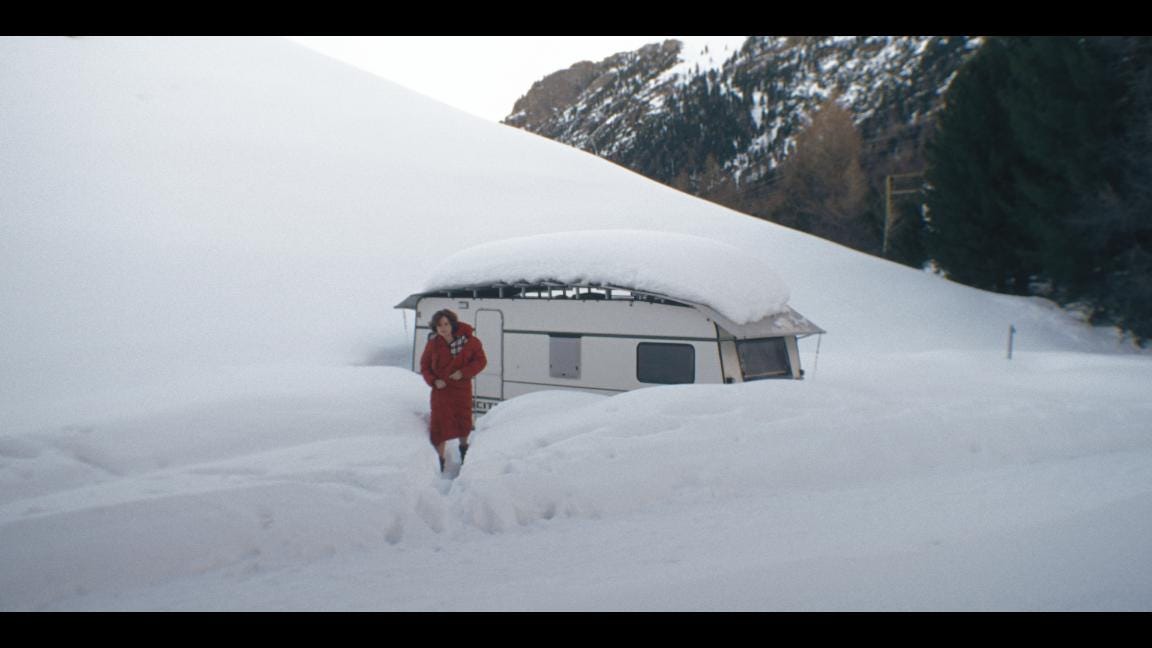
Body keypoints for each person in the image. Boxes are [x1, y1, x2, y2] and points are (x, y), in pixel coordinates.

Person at [419, 309, 487, 472]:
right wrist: (434, 381)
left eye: (446, 324)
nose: (443, 328)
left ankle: (465, 456)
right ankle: (439, 463)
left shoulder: (470, 341)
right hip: (441, 393)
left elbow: (481, 361)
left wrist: (464, 372)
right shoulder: (433, 344)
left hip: (461, 390)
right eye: (439, 325)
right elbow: (425, 367)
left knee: (462, 422)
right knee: (439, 427)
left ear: (452, 324)